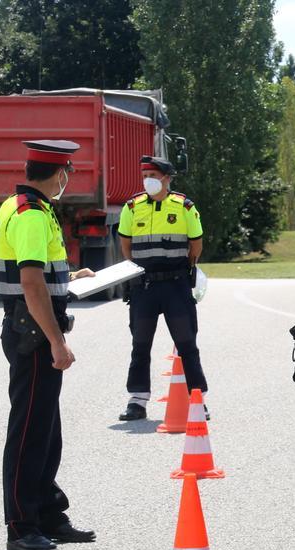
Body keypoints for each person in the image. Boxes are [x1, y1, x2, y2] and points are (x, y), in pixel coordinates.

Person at [0, 140, 96, 550]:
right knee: (30, 430)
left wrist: (72, 276)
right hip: (33, 334)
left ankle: (48, 513)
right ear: (59, 174)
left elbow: (43, 275)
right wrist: (57, 341)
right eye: (66, 173)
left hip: (30, 328)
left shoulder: (21, 206)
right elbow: (31, 283)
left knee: (46, 428)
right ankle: (21, 524)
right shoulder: (31, 214)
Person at [117, 156, 207, 421]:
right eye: (146, 175)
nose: (149, 181)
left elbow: (196, 246)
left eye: (154, 176)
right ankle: (137, 401)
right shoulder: (132, 207)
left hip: (176, 285)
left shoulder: (184, 207)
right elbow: (126, 244)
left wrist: (183, 270)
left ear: (167, 178)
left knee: (187, 343)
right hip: (144, 286)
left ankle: (197, 399)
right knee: (140, 344)